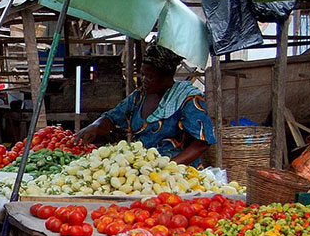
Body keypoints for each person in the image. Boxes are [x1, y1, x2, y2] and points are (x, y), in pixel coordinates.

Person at [74, 45, 216, 165]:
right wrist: (95, 126)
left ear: (167, 76)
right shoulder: (139, 96)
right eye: (143, 75)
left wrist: (169, 166)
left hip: (178, 173)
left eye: (151, 77)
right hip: (142, 168)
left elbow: (202, 143)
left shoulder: (188, 98)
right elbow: (113, 117)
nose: (144, 80)